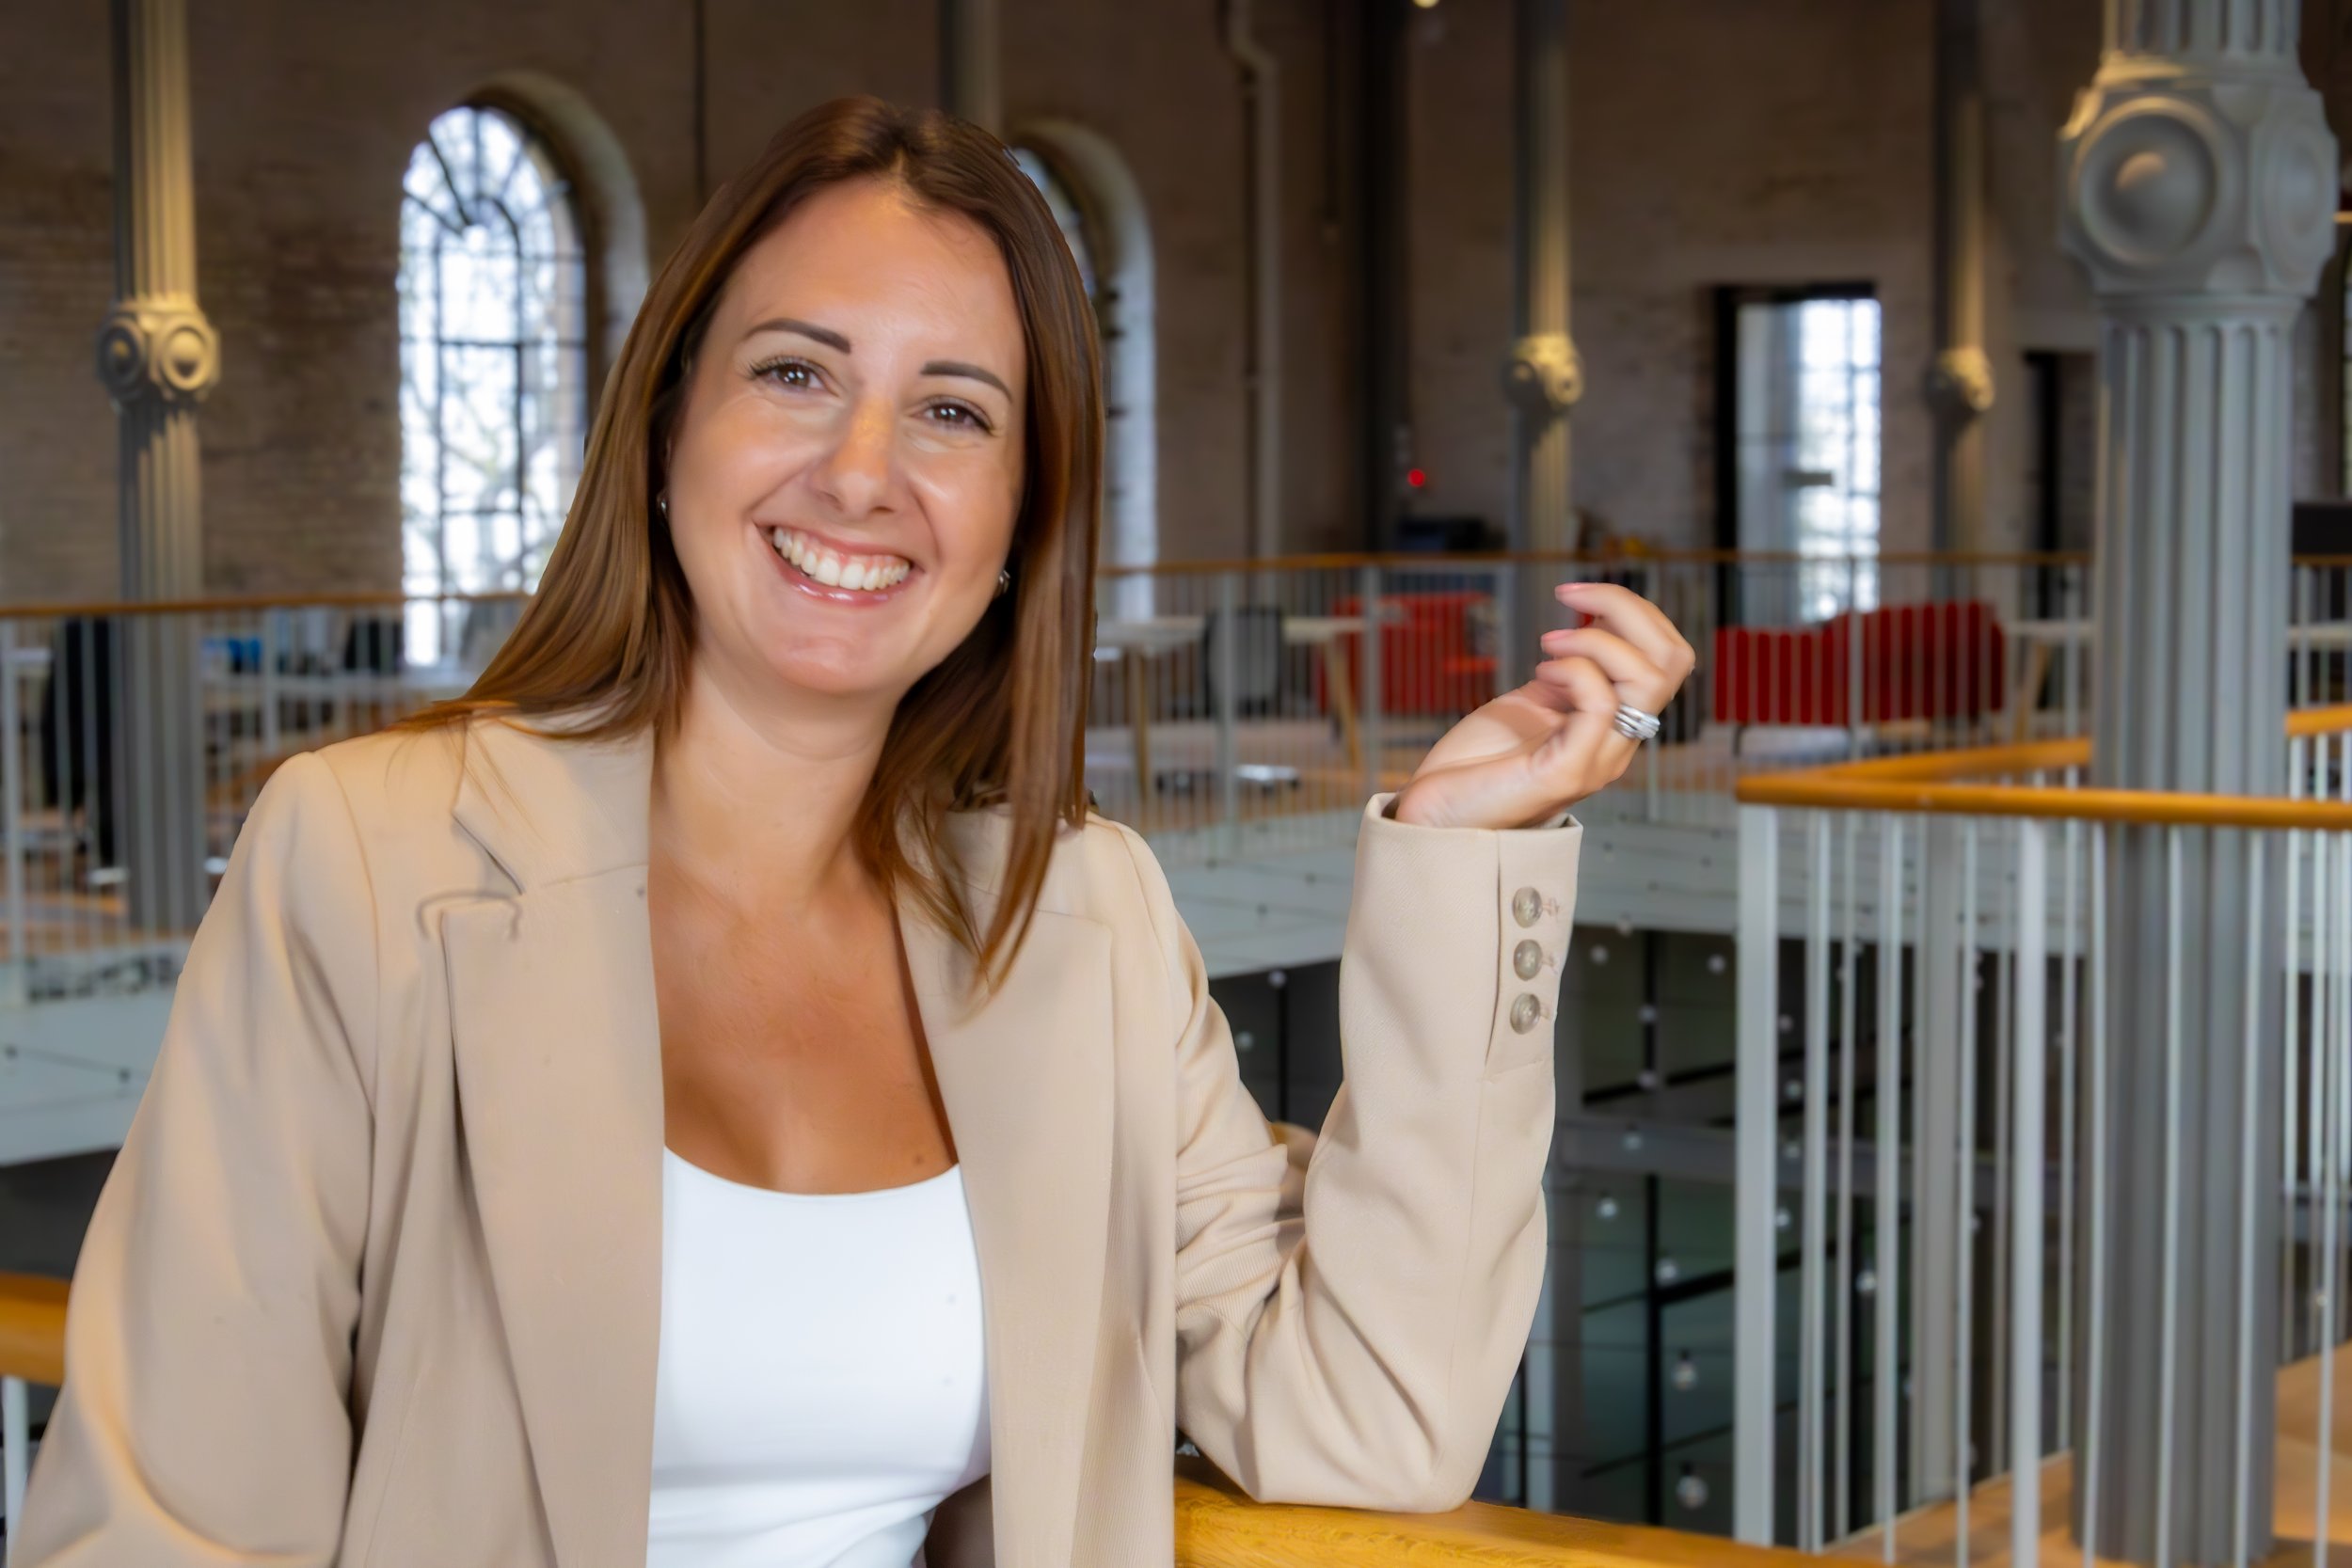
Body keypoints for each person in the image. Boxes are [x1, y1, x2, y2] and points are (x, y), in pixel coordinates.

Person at [15, 97, 1692, 1568]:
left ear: (1025, 519)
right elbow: (179, 1525)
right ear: (668, 425)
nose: (862, 470)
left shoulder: (1075, 917)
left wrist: (1465, 856)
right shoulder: (376, 860)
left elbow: (1371, 1423)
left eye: (955, 410)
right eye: (799, 372)